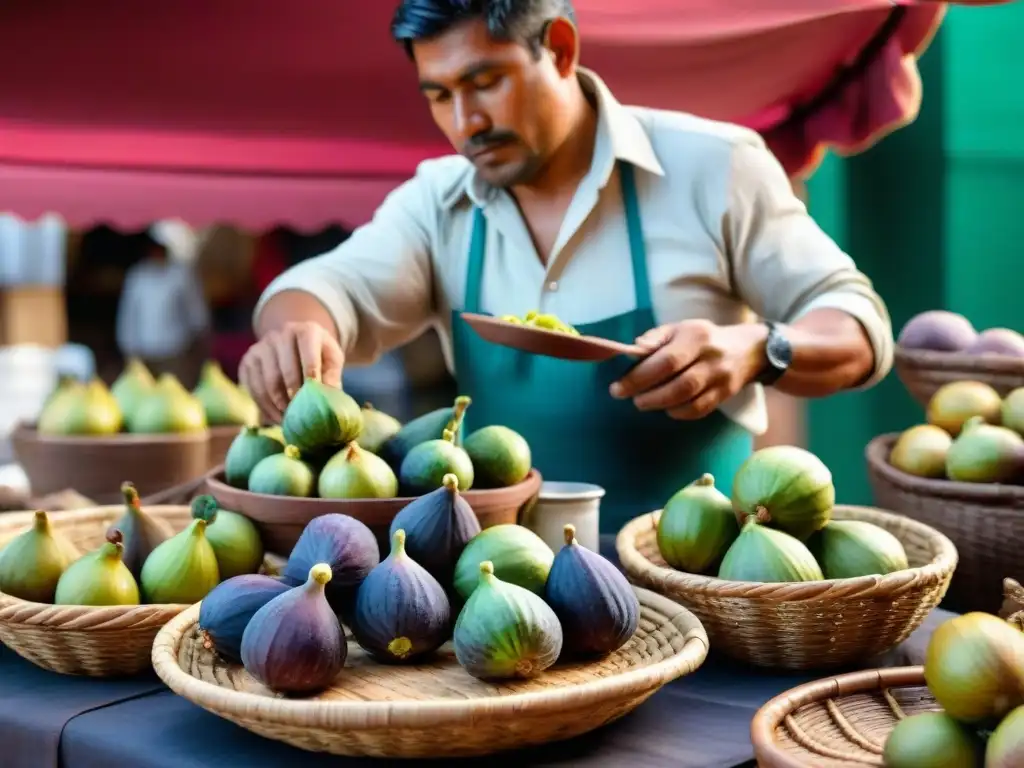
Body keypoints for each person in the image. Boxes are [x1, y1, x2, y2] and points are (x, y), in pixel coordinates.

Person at [241, 0, 893, 532]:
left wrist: (761, 349)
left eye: (485, 82)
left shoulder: (713, 167)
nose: (466, 123)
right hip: (508, 601)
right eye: (439, 95)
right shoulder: (437, 203)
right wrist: (298, 331)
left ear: (558, 47)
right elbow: (329, 287)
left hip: (700, 587)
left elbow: (859, 325)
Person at [115, 223, 211, 388]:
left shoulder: (181, 275)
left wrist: (200, 341)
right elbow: (128, 316)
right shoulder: (138, 276)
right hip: (143, 354)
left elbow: (196, 312)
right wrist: (128, 351)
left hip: (175, 353)